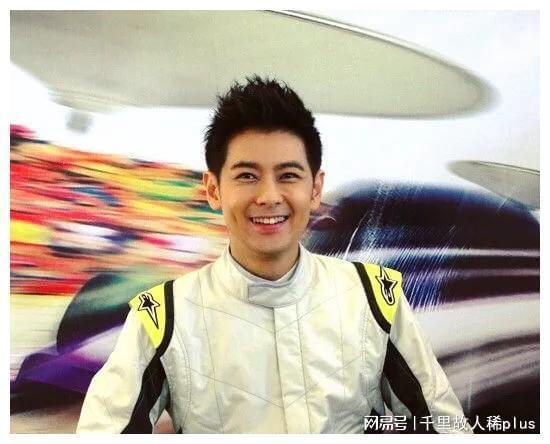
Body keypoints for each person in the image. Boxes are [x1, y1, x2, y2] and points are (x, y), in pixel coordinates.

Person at [77, 76, 472, 433]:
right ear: (213, 189)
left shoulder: (373, 299)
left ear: (315, 189)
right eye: (247, 176)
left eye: (288, 175)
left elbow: (444, 426)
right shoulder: (164, 316)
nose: (268, 196)